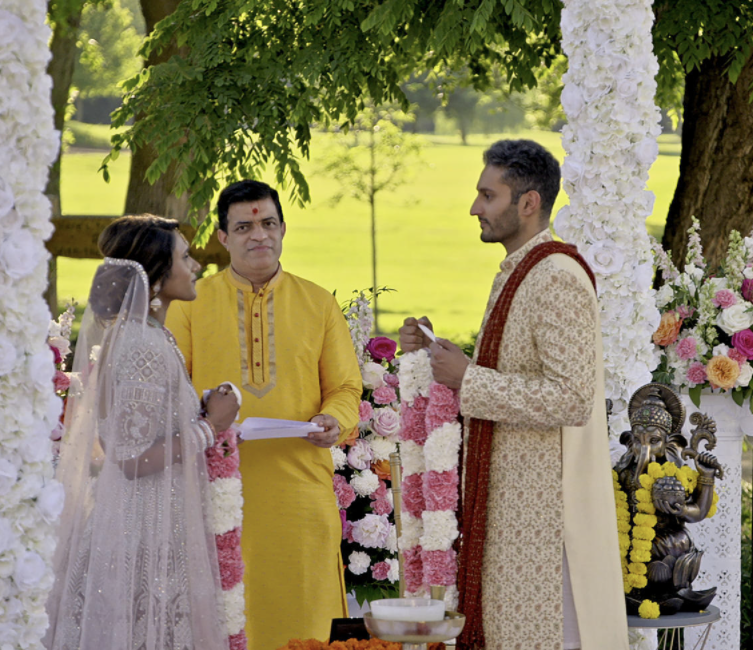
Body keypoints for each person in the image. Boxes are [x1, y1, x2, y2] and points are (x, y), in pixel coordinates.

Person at [399, 140, 628, 650]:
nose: (475, 207)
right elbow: (516, 372)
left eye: (488, 195)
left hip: (544, 516)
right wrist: (443, 355)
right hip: (511, 505)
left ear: (528, 203)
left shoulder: (556, 277)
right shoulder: (521, 271)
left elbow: (572, 398)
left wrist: (468, 379)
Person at [166, 180, 362, 650]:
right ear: (222, 237)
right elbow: (171, 392)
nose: (259, 235)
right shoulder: (191, 303)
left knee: (306, 623)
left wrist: (335, 419)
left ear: (283, 229)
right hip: (217, 490)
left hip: (300, 495)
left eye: (268, 223)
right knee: (228, 619)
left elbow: (344, 387)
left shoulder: (318, 302)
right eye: (245, 226)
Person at [45, 215, 239, 650]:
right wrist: (211, 427)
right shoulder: (142, 345)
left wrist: (199, 411)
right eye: (185, 257)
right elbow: (131, 459)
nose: (196, 266)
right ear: (153, 277)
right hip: (142, 526)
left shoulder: (146, 336)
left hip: (150, 518)